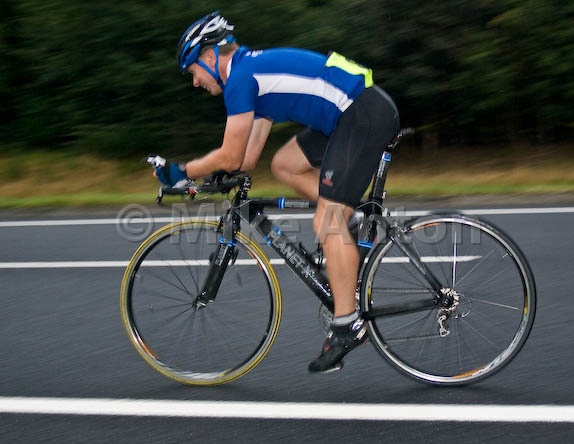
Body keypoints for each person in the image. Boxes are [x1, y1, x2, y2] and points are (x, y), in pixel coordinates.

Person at [154, 11, 400, 373]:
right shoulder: (250, 72)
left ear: (208, 57)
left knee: (327, 222)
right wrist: (218, 176)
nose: (195, 82)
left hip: (361, 115)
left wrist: (180, 172)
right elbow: (245, 158)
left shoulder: (240, 79)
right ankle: (347, 224)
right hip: (351, 114)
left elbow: (231, 155)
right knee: (284, 164)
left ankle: (348, 326)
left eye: (193, 72)